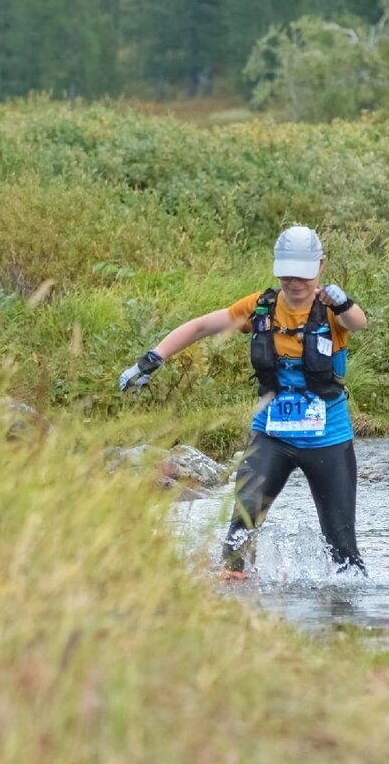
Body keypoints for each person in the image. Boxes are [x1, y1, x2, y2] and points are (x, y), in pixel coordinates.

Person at [118, 225, 368, 577]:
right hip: (271, 438)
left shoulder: (332, 310)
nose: (295, 283)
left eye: (303, 275)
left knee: (344, 551)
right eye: (287, 275)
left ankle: (345, 621)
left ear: (320, 266)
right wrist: (151, 360)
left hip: (328, 440)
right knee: (239, 534)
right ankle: (237, 611)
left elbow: (358, 322)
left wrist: (343, 301)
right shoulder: (260, 308)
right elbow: (203, 326)